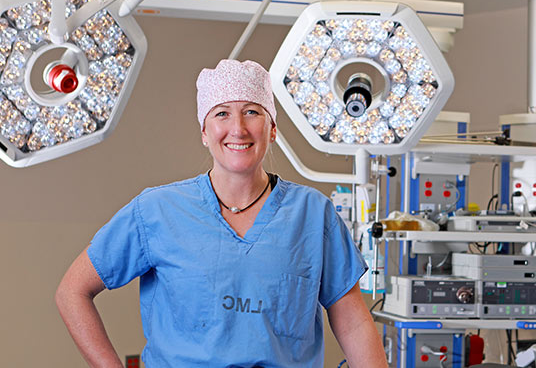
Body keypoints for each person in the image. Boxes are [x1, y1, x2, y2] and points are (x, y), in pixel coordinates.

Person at [55, 59, 387, 367]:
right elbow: (72, 291)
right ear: (204, 132)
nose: (238, 128)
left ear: (272, 128)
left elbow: (354, 323)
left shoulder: (312, 215)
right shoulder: (157, 211)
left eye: (252, 112)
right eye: (222, 114)